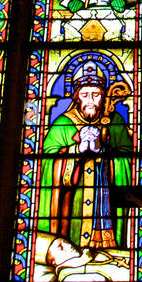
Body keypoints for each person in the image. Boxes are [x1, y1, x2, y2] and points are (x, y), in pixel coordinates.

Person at [37, 58, 133, 252]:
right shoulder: (63, 124)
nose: (91, 100)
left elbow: (129, 158)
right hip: (70, 209)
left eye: (96, 95)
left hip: (107, 207)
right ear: (77, 97)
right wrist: (75, 151)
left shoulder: (113, 122)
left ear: (103, 96)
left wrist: (103, 152)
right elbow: (46, 163)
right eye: (85, 94)